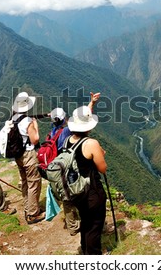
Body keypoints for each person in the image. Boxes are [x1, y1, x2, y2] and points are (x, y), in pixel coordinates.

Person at [47, 92, 101, 236]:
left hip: (58, 167)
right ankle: (79, 225)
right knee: (74, 195)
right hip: (69, 168)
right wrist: (91, 105)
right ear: (64, 119)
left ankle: (72, 225)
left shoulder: (53, 131)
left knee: (67, 198)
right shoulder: (66, 131)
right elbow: (82, 123)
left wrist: (92, 103)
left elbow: (80, 120)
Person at [67, 105, 107, 255]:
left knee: (86, 221)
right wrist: (102, 154)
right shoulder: (91, 143)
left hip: (77, 191)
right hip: (92, 191)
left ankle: (85, 249)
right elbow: (102, 168)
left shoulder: (68, 141)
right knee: (95, 226)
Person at [12, 91, 43, 224]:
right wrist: (35, 126)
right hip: (29, 154)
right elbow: (35, 140)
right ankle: (33, 214)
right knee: (34, 183)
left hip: (18, 155)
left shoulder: (12, 119)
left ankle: (28, 207)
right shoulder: (28, 121)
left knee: (25, 182)